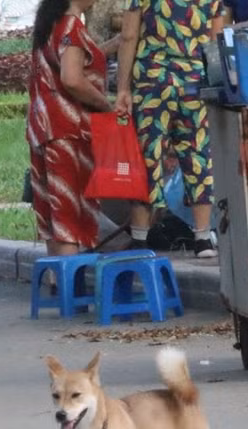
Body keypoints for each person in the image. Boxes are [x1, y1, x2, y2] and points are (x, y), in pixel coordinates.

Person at [116, 0, 222, 258]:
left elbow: (129, 36)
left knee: (147, 157)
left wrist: (122, 88)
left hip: (153, 83)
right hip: (194, 85)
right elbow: (216, 42)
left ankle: (140, 237)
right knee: (197, 154)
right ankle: (202, 238)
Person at [27, 0, 120, 256]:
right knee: (70, 214)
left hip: (42, 129)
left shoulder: (51, 26)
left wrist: (111, 47)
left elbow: (72, 61)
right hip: (67, 130)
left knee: (53, 215)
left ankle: (59, 285)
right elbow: (72, 79)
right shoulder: (72, 27)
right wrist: (105, 105)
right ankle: (73, 290)